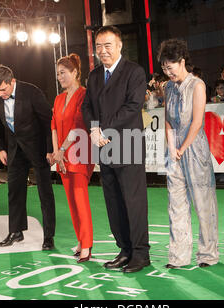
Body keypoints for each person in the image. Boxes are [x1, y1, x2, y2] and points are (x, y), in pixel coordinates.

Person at [81, 25, 150, 273]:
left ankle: (141, 254)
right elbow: (86, 107)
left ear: (119, 46)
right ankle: (124, 249)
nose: (103, 50)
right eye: (98, 46)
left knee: (134, 202)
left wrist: (102, 129)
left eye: (108, 45)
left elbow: (132, 107)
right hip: (104, 147)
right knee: (113, 202)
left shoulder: (134, 72)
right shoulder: (94, 75)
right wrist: (94, 129)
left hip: (128, 144)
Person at [158, 39, 219, 269]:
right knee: (176, 204)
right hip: (173, 151)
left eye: (170, 66)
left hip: (194, 149)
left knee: (203, 203)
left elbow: (197, 121)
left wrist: (182, 148)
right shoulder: (168, 87)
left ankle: (208, 254)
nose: (167, 72)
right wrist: (172, 147)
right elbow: (167, 120)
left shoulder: (198, 85)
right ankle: (178, 257)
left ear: (182, 61)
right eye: (164, 68)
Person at [0, 64, 56, 250]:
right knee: (15, 190)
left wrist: (50, 149)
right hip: (14, 148)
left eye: (4, 89)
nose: (1, 94)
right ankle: (16, 231)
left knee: (45, 192)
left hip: (38, 147)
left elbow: (47, 121)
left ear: (13, 82)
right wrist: (1, 148)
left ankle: (49, 236)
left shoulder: (32, 92)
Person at [48, 53, 95, 263]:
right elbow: (54, 127)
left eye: (63, 73)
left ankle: (87, 245)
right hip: (62, 157)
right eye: (58, 74)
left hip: (79, 153)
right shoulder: (58, 99)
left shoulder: (84, 95)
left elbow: (78, 126)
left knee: (80, 199)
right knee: (71, 202)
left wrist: (62, 151)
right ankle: (80, 240)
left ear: (75, 72)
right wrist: (57, 153)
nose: (60, 77)